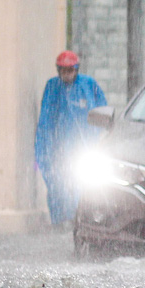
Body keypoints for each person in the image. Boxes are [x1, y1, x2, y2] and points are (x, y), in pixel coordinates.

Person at [35, 50, 107, 225]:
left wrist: (97, 138)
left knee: (81, 185)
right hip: (58, 149)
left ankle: (79, 220)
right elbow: (45, 120)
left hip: (82, 149)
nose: (67, 75)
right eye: (63, 71)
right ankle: (59, 222)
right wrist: (47, 149)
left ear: (76, 70)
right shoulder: (52, 87)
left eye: (70, 70)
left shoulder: (88, 85)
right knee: (57, 186)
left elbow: (101, 111)